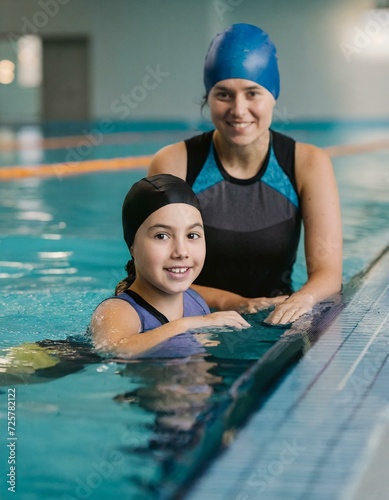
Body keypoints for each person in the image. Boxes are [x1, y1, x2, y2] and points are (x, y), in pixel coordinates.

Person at [148, 23, 342, 325]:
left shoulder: (308, 163)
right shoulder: (176, 162)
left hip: (274, 317)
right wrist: (234, 303)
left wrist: (302, 300)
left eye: (253, 93)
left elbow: (328, 275)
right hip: (190, 318)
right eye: (223, 94)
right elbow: (150, 272)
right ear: (208, 98)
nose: (239, 110)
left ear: (273, 95)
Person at [89, 173, 250, 357]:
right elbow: (112, 350)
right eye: (162, 236)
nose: (181, 252)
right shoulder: (117, 311)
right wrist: (188, 324)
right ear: (132, 246)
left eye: (192, 235)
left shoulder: (195, 301)